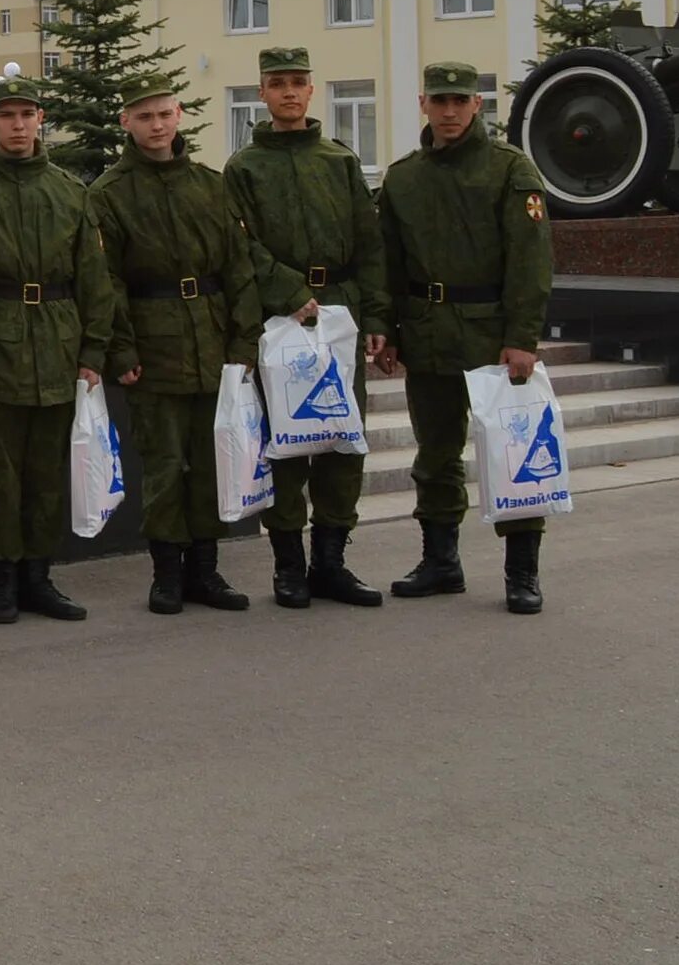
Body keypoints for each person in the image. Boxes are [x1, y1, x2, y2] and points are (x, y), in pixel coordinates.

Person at [375, 61, 558, 615]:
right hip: (428, 331)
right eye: (440, 100)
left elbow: (531, 261)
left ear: (478, 105)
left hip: (491, 335)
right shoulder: (403, 177)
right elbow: (388, 262)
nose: (450, 111)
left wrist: (523, 336)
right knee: (434, 454)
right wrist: (387, 329)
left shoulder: (509, 170)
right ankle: (440, 562)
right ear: (423, 103)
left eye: (461, 100)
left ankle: (521, 573)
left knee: (512, 452)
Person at [0, 72, 125, 624]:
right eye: (7, 115)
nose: (18, 125)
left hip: (57, 342)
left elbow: (94, 279)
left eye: (27, 115)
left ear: (40, 120)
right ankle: (0, 582)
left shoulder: (68, 191)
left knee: (48, 473)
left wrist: (93, 351)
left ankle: (39, 578)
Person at [89, 73, 263, 616]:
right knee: (164, 464)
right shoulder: (110, 194)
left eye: (164, 114)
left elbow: (239, 268)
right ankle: (166, 573)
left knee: (212, 460)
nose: (157, 125)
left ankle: (206, 572)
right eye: (144, 117)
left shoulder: (211, 185)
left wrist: (243, 344)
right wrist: (123, 351)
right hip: (153, 341)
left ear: (178, 115)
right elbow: (106, 281)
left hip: (213, 340)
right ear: (127, 123)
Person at [225, 45, 390, 608]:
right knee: (289, 443)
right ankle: (288, 568)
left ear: (312, 89)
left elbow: (370, 245)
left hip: (340, 313)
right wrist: (291, 293)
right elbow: (239, 245)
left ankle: (332, 563)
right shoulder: (244, 168)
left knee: (343, 442)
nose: (289, 92)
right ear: (263, 93)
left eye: (298, 82)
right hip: (282, 320)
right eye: (278, 83)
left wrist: (375, 317)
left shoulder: (338, 160)